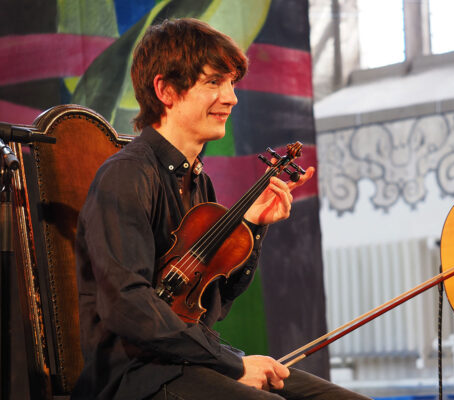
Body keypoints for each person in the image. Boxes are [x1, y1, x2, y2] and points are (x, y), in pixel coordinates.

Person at [72, 18, 370, 400]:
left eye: (231, 83)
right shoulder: (127, 175)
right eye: (214, 82)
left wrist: (252, 227)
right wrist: (232, 365)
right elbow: (128, 305)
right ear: (165, 90)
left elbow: (211, 307)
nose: (231, 97)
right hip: (134, 378)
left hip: (191, 363)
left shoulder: (199, 182)